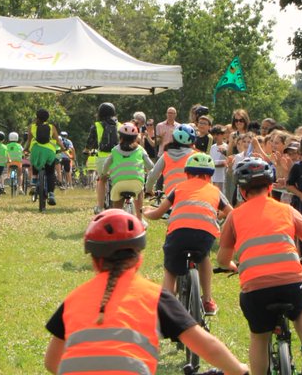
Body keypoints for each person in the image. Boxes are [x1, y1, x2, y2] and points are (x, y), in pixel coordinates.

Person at [44, 209, 249, 375]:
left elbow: (51, 362)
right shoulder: (153, 297)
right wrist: (238, 370)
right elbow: (207, 345)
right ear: (139, 258)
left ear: (94, 261)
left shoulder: (73, 300)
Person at [218, 158, 302, 375]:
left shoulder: (234, 216)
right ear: (270, 187)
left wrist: (232, 266)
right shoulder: (287, 210)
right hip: (291, 281)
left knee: (259, 337)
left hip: (256, 287)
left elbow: (222, 258)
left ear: (241, 190)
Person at [144, 152, 230, 315]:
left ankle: (167, 308)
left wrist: (146, 211)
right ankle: (207, 301)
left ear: (187, 174)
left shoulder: (179, 188)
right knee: (204, 257)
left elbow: (157, 214)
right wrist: (217, 215)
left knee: (171, 270)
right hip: (205, 234)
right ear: (209, 176)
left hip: (178, 233)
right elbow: (231, 212)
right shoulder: (215, 191)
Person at [96, 122, 153, 219]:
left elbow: (106, 165)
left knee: (117, 209)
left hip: (119, 184)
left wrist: (104, 174)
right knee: (139, 192)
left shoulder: (115, 150)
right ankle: (139, 219)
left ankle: (117, 219)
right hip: (136, 183)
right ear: (135, 138)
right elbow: (151, 166)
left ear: (120, 137)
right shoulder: (140, 149)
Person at [146, 124, 197, 200]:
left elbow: (153, 174)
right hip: (189, 195)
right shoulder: (195, 155)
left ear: (173, 138)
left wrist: (148, 189)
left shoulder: (166, 155)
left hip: (171, 196)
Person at [28, 109, 61, 206]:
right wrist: (63, 148)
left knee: (35, 162)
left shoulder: (32, 127)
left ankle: (34, 182)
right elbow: (58, 141)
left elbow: (29, 141)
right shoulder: (51, 127)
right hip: (49, 152)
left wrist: (25, 149)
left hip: (36, 150)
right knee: (50, 173)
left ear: (36, 117)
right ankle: (51, 194)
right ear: (48, 118)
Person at [85, 103, 119, 183]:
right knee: (117, 180)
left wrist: (86, 150)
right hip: (117, 157)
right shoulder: (120, 125)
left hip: (102, 158)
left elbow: (90, 140)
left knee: (101, 181)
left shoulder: (96, 125)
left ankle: (101, 195)